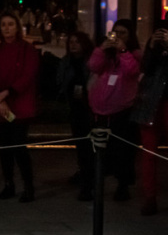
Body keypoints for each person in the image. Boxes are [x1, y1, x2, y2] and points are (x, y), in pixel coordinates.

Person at [132, 7, 168, 216]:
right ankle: (150, 197)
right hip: (152, 101)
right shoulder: (158, 41)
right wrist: (152, 47)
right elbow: (146, 68)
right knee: (149, 150)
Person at [0, 11, 40, 202]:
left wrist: (8, 93)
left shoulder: (27, 50)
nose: (7, 28)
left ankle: (28, 186)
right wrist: (0, 100)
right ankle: (8, 183)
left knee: (19, 146)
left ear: (17, 27)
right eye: (3, 25)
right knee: (4, 147)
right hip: (0, 106)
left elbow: (27, 75)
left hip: (19, 105)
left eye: (10, 24)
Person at [87, 19, 141, 201]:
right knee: (99, 151)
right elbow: (93, 66)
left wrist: (123, 51)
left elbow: (132, 71)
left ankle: (122, 185)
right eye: (115, 32)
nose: (118, 36)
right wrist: (102, 48)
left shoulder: (133, 54)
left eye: (123, 33)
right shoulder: (107, 54)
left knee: (122, 152)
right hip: (100, 109)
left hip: (122, 110)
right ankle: (96, 182)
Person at [56, 31, 95, 200]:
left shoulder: (90, 62)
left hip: (90, 108)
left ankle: (88, 181)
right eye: (71, 41)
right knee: (80, 144)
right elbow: (60, 82)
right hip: (74, 107)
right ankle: (84, 173)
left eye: (77, 42)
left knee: (89, 146)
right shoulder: (67, 62)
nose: (73, 45)